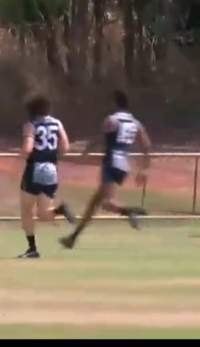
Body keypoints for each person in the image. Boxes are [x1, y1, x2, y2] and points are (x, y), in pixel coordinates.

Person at [59, 90, 151, 249]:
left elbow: (101, 139)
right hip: (124, 165)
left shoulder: (112, 120)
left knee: (106, 203)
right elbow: (146, 144)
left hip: (111, 162)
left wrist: (86, 150)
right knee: (94, 204)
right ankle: (73, 238)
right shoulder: (136, 123)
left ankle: (129, 211)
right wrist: (144, 168)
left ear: (115, 103)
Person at [18, 93, 78, 259]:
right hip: (51, 169)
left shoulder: (31, 125)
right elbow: (66, 146)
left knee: (26, 210)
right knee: (44, 214)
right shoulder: (57, 123)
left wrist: (21, 156)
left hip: (34, 169)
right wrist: (53, 157)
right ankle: (60, 210)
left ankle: (32, 249)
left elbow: (28, 147)